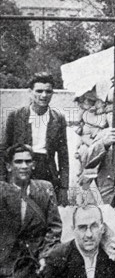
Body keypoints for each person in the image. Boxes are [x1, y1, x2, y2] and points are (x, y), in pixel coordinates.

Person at [0, 144, 62, 278]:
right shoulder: (2, 191)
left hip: (29, 260)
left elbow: (54, 228)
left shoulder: (44, 189)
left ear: (34, 165)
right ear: (9, 166)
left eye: (28, 161)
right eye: (18, 162)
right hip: (4, 257)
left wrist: (45, 256)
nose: (24, 166)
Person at [0, 73, 69, 204]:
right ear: (30, 92)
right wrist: (3, 181)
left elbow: (63, 155)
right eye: (39, 91)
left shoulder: (58, 118)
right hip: (21, 167)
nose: (44, 95)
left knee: (45, 211)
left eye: (48, 91)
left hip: (47, 170)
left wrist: (64, 187)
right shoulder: (15, 116)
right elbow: (4, 149)